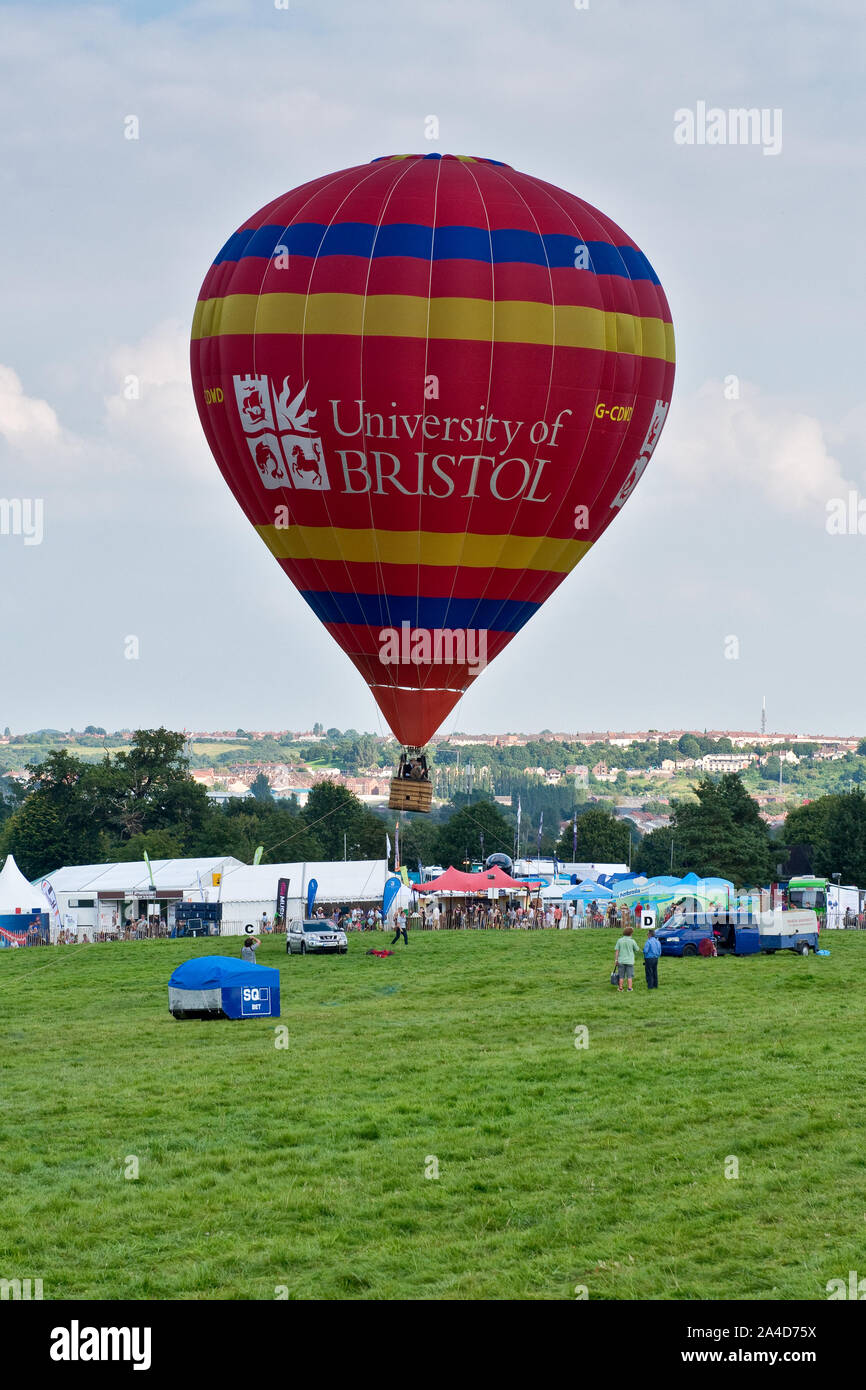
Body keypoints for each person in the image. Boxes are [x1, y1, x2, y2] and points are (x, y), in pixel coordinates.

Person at [613, 924, 638, 993]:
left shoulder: (619, 940)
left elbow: (617, 951)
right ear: (630, 933)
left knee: (621, 976)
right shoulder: (632, 941)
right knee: (629, 976)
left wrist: (616, 959)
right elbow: (637, 949)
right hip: (630, 961)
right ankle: (629, 988)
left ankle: (620, 988)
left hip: (621, 961)